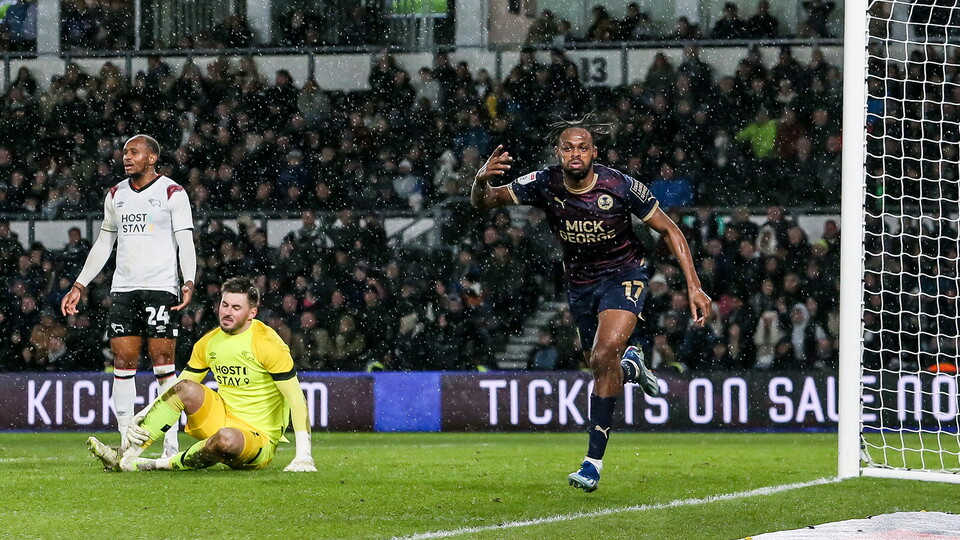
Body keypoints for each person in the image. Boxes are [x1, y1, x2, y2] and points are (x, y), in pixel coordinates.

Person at [471, 115, 712, 492]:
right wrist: (480, 179)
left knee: (602, 357)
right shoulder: (543, 182)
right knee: (602, 366)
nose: (575, 154)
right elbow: (486, 202)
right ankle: (632, 367)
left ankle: (592, 463)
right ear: (558, 154)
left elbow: (669, 228)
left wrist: (694, 286)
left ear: (594, 153)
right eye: (568, 148)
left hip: (624, 276)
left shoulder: (619, 185)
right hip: (580, 286)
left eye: (582, 147)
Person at [87, 277, 316, 473]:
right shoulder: (209, 342)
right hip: (221, 418)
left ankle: (154, 464)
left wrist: (303, 455)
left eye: (236, 308)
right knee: (186, 387)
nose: (227, 312)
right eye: (225, 305)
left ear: (251, 313)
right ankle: (126, 456)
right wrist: (146, 412)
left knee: (226, 439)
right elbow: (178, 388)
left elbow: (296, 399)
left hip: (257, 437)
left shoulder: (268, 343)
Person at [61, 134, 196, 459]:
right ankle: (126, 444)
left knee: (163, 363)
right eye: (124, 152)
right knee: (123, 362)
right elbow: (104, 243)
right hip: (124, 290)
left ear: (151, 158)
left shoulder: (172, 192)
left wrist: (188, 279)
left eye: (134, 152)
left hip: (161, 287)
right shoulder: (116, 194)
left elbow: (185, 240)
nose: (127, 157)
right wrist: (80, 284)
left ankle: (170, 444)